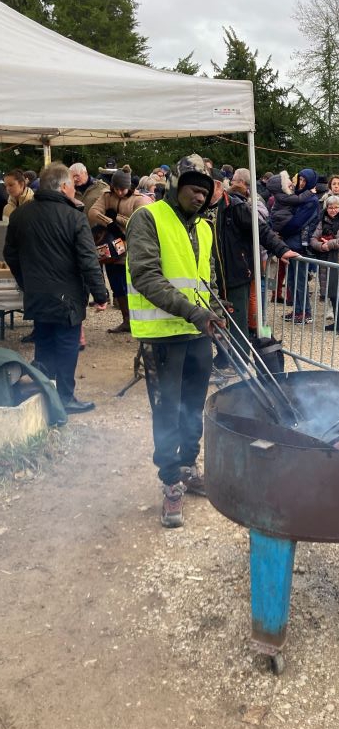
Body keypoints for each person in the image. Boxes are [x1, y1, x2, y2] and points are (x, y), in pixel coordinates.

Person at [125, 155, 225, 528]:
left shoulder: (205, 228)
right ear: (175, 186)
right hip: (162, 335)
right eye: (193, 190)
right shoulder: (148, 218)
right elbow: (146, 276)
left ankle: (188, 465)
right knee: (167, 410)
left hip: (196, 332)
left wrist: (214, 307)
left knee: (193, 404)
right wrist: (195, 313)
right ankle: (170, 481)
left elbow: (204, 280)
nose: (199, 197)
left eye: (205, 193)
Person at [3, 163, 108, 413]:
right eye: (72, 186)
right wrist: (101, 294)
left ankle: (44, 394)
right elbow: (88, 259)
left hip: (37, 295)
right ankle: (64, 397)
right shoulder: (74, 217)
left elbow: (10, 254)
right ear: (63, 186)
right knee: (66, 347)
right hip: (68, 297)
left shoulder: (20, 215)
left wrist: (26, 281)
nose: (73, 191)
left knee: (44, 344)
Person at [211, 164, 297, 351]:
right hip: (210, 277)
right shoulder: (199, 210)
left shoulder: (235, 206)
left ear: (218, 186)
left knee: (237, 324)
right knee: (216, 321)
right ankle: (224, 357)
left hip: (235, 274)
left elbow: (261, 229)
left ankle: (239, 362)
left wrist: (281, 250)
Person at [89, 169, 151, 333]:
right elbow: (93, 212)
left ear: (129, 186)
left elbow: (139, 222)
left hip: (133, 250)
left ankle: (140, 321)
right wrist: (108, 222)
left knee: (133, 287)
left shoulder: (140, 200)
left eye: (122, 189)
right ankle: (126, 321)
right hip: (112, 253)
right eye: (115, 188)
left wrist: (116, 217)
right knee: (118, 288)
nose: (118, 192)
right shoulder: (106, 196)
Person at [272, 168, 321, 325]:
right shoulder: (298, 197)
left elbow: (296, 223)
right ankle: (298, 310)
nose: (301, 183)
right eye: (300, 179)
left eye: (305, 181)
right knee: (292, 280)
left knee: (300, 280)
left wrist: (280, 232)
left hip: (300, 245)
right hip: (291, 243)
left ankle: (305, 312)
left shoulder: (311, 201)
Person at [310, 195, 339, 334]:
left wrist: (329, 244)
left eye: (336, 207)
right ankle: (338, 322)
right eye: (330, 207)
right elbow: (313, 238)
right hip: (327, 260)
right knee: (333, 293)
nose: (333, 210)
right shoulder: (323, 220)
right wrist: (320, 246)